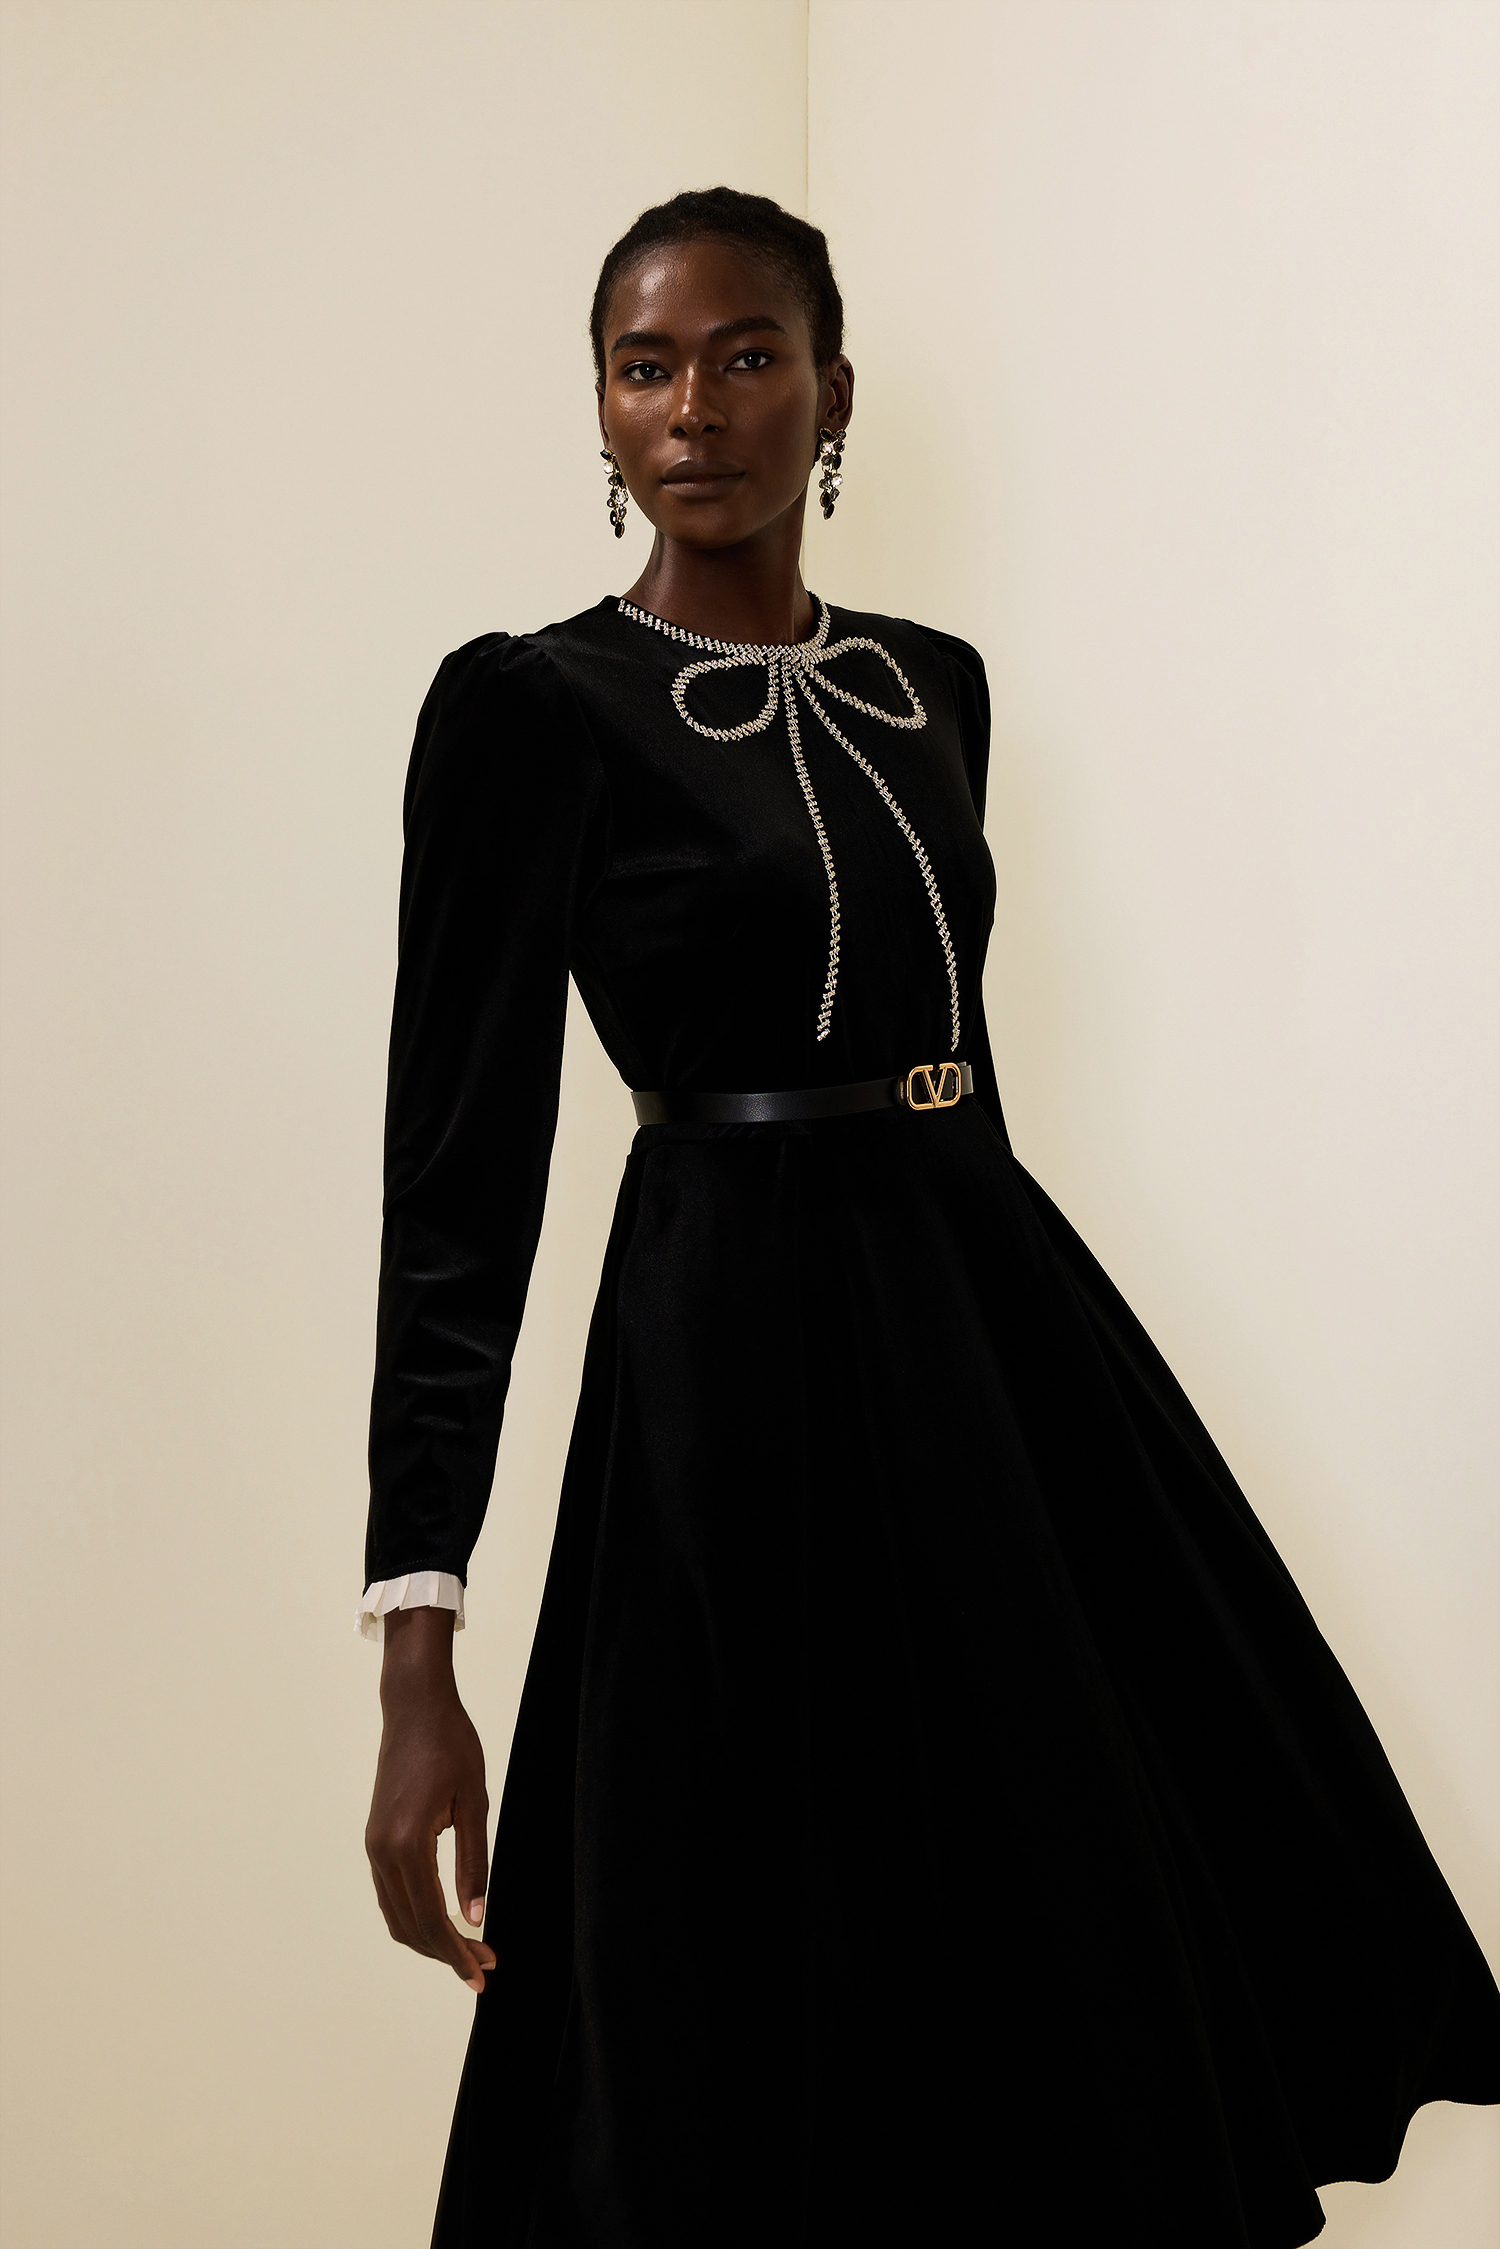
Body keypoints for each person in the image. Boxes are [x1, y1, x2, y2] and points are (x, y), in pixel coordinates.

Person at [359, 187, 1500, 2248]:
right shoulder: (531, 710)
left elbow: (959, 1048)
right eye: (643, 366)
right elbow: (458, 1183)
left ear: (833, 392)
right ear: (598, 410)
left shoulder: (937, 686)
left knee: (1079, 1879)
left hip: (982, 1327)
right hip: (719, 1369)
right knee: (751, 1935)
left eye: (746, 356)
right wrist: (415, 1648)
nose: (694, 408)